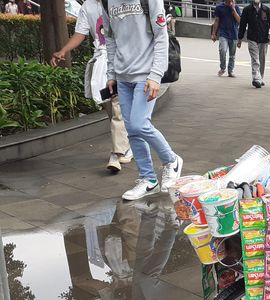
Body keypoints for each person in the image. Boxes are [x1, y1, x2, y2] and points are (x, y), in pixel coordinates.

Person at [103, 0, 183, 201]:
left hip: (146, 75)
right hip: (123, 76)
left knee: (139, 124)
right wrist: (111, 73)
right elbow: (110, 39)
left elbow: (161, 36)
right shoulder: (107, 2)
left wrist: (156, 75)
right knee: (132, 129)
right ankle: (148, 179)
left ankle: (171, 160)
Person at [51, 0, 133, 174]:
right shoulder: (87, 6)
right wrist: (63, 50)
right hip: (102, 64)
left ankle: (116, 153)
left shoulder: (119, 2)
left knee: (118, 106)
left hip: (123, 61)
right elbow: (80, 33)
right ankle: (127, 144)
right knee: (110, 106)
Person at [238, 0, 270, 88]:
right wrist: (240, 38)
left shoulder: (266, 10)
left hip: (263, 39)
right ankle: (256, 78)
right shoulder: (247, 10)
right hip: (252, 39)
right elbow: (242, 25)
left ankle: (260, 78)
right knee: (255, 59)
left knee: (261, 60)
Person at [211, 0, 241, 77]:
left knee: (232, 55)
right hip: (223, 34)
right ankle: (222, 68)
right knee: (222, 50)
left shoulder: (236, 7)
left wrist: (233, 9)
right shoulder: (219, 7)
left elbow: (239, 21)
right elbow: (216, 21)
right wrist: (214, 33)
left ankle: (230, 71)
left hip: (234, 34)